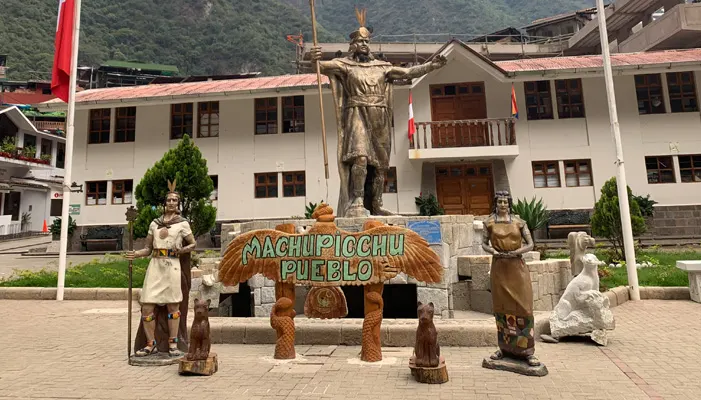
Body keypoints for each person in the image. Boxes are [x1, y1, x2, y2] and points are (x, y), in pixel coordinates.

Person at [310, 7, 447, 218]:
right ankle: (356, 201)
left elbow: (408, 72)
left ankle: (375, 204)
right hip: (356, 113)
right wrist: (314, 59)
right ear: (352, 45)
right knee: (360, 157)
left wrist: (431, 66)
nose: (364, 45)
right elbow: (322, 67)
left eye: (367, 41)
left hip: (380, 117)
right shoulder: (345, 65)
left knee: (380, 165)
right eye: (360, 42)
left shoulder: (383, 67)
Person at [126, 179, 196, 357]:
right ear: (164, 203)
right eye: (169, 200)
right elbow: (148, 248)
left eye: (175, 200)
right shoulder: (154, 223)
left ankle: (173, 343)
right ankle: (151, 343)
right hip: (156, 266)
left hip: (172, 266)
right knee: (147, 306)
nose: (171, 202)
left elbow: (193, 244)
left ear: (178, 204)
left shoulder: (182, 224)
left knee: (173, 305)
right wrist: (136, 254)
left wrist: (182, 250)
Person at [481, 190, 541, 366]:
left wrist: (517, 252)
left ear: (509, 203)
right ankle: (504, 348)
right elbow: (484, 243)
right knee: (502, 308)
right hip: (499, 267)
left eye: (505, 202)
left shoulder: (519, 222)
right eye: (499, 202)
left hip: (517, 267)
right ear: (496, 203)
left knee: (524, 308)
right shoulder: (489, 223)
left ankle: (527, 350)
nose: (502, 205)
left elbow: (530, 244)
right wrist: (493, 251)